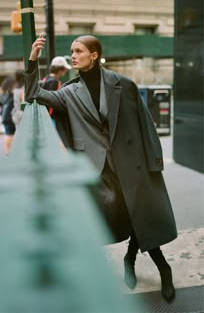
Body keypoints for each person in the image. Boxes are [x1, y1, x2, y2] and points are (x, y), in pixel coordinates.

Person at [24, 34, 177, 303]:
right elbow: (33, 93)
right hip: (98, 171)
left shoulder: (123, 84)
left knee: (143, 218)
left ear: (94, 55)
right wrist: (32, 60)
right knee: (120, 219)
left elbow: (145, 122)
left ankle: (163, 269)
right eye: (71, 51)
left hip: (132, 164)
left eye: (78, 51)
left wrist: (155, 159)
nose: (73, 55)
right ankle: (129, 259)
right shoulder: (69, 92)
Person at [41, 56, 71, 123]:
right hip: (50, 116)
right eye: (64, 69)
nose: (66, 71)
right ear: (60, 69)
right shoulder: (53, 82)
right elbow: (51, 100)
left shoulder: (47, 78)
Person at [0, 75, 16, 154]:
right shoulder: (12, 93)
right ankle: (10, 152)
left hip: (4, 116)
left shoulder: (1, 92)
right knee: (12, 134)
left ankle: (8, 153)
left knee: (8, 134)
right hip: (11, 116)